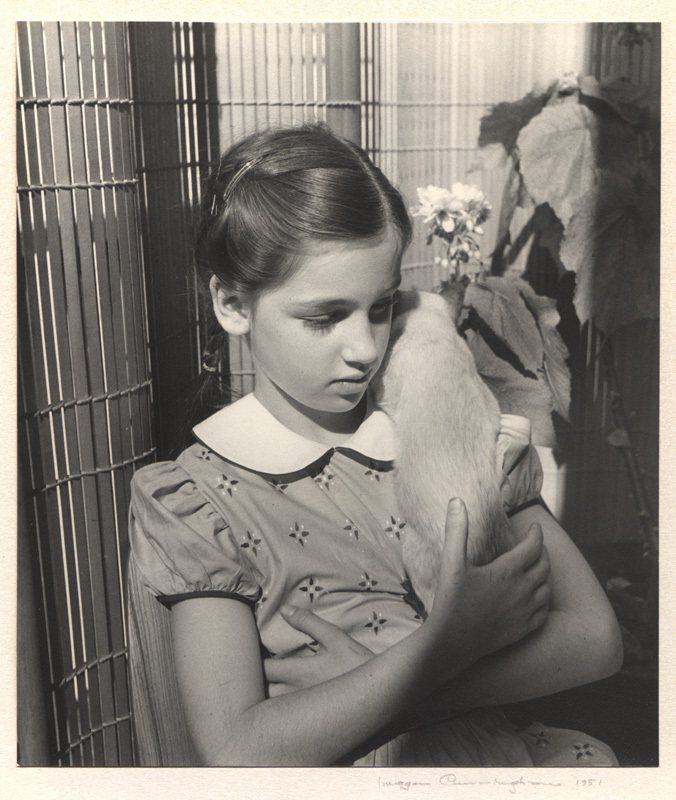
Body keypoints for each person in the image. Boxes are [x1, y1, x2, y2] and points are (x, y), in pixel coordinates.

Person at [128, 123, 622, 767]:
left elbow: (595, 639)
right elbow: (237, 751)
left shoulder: (436, 422)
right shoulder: (199, 497)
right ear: (231, 303)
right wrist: (441, 653)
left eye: (382, 307)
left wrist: (411, 679)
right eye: (323, 317)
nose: (364, 349)